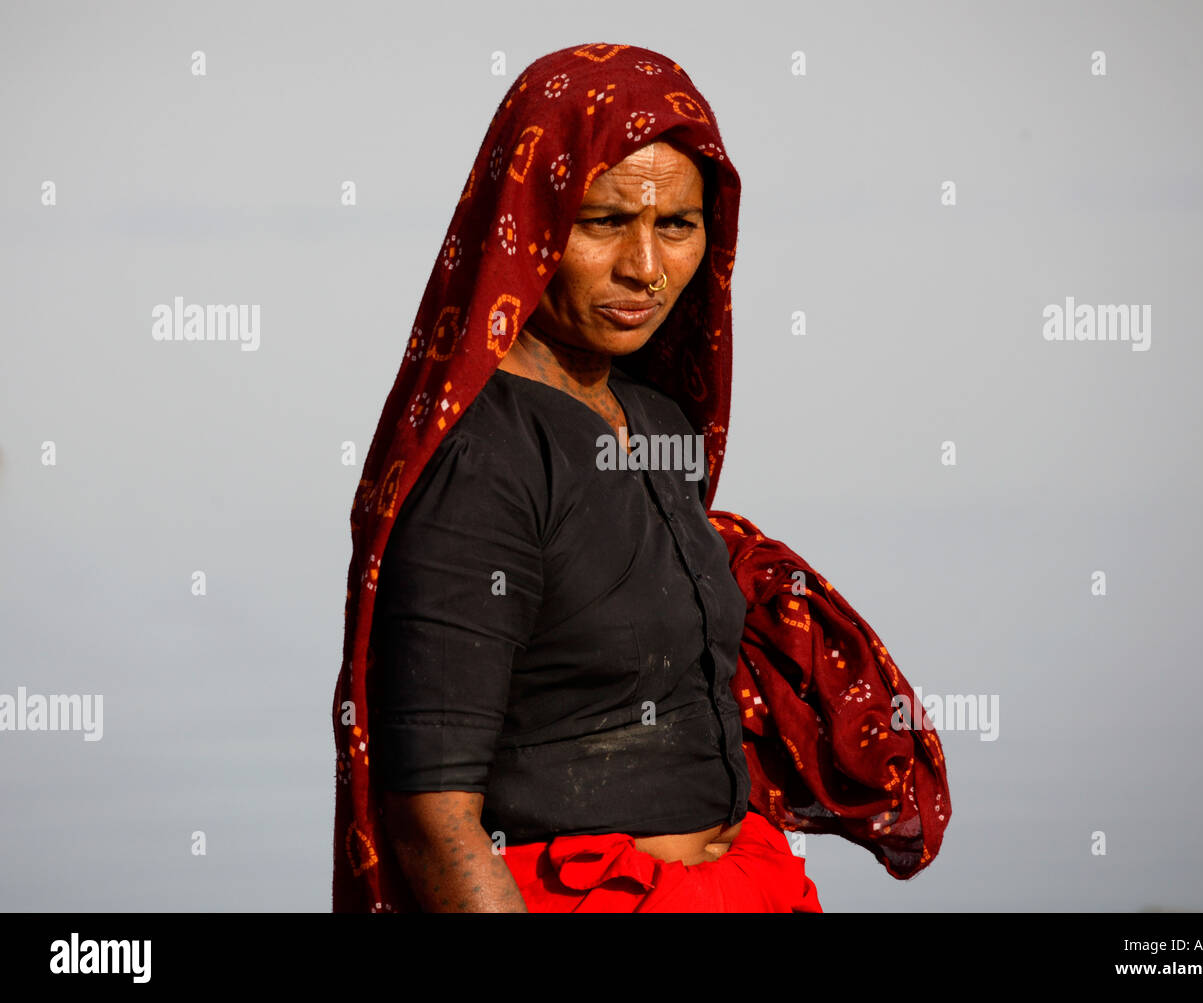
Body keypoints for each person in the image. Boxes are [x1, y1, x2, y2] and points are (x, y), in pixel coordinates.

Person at [331, 42, 952, 914]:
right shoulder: (485, 462)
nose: (644, 268)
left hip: (749, 881)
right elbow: (434, 820)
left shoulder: (658, 422)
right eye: (601, 222)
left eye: (676, 225)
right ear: (533, 219)